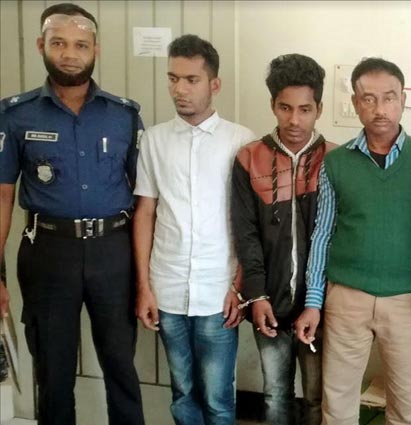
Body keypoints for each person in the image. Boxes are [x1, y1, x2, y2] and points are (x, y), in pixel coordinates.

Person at [0, 3, 145, 424]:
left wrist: (146, 274)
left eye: (81, 45)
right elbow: (3, 196)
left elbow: (145, 200)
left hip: (113, 252)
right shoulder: (16, 115)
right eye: (59, 43)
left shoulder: (124, 116)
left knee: (121, 364)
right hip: (48, 253)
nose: (69, 54)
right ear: (41, 45)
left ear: (95, 50)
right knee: (53, 369)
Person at [294, 57, 411, 425]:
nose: (379, 109)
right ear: (356, 103)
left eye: (389, 98)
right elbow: (323, 234)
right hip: (346, 298)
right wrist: (313, 302)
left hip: (405, 300)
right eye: (368, 99)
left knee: (405, 407)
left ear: (403, 100)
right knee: (338, 405)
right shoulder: (336, 163)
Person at [133, 34, 254, 425]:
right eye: (173, 78)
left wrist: (240, 286)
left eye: (191, 80)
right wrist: (144, 287)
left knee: (218, 398)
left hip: (219, 291)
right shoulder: (153, 140)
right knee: (183, 392)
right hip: (167, 288)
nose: (179, 89)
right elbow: (145, 213)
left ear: (214, 84)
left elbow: (248, 222)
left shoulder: (240, 141)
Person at [230, 53, 332, 425]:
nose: (294, 120)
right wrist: (256, 296)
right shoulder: (249, 158)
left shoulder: (336, 160)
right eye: (285, 108)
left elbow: (335, 237)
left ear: (319, 109)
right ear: (272, 104)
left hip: (322, 307)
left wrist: (321, 302)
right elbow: (246, 234)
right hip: (268, 302)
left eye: (305, 109)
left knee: (318, 397)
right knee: (275, 395)